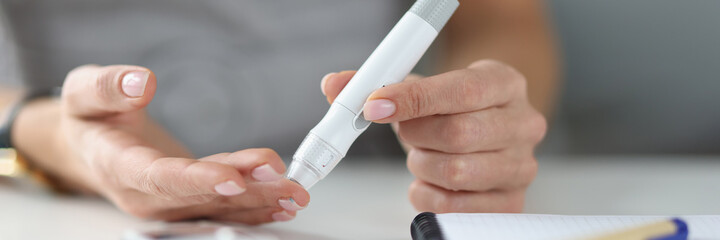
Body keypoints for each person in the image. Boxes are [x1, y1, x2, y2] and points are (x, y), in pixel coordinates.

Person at [0, 1, 557, 225]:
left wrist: (478, 115)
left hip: (382, 196)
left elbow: (498, 19)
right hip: (63, 206)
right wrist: (46, 132)